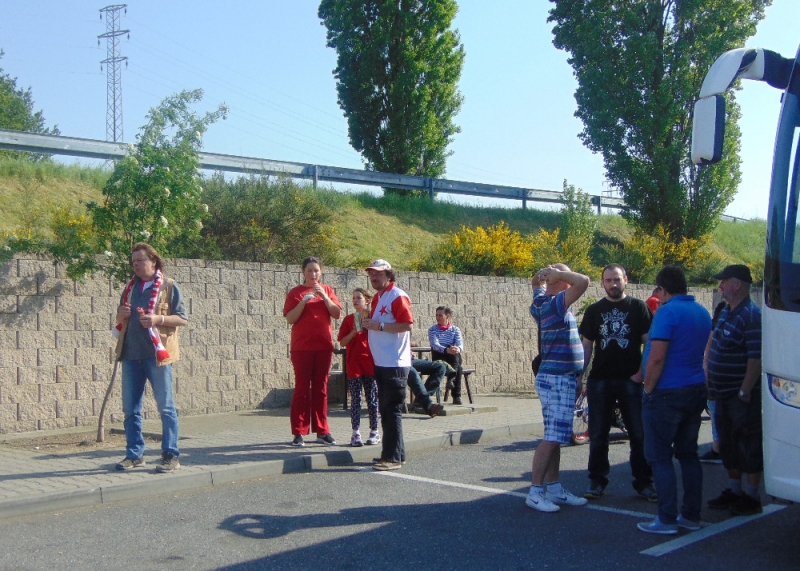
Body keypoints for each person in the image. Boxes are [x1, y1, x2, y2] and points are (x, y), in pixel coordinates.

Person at [637, 266, 711, 535]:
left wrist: (648, 389)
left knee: (659, 456)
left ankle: (666, 519)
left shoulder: (667, 312)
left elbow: (657, 356)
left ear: (663, 289)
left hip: (667, 392)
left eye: (657, 289)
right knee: (688, 455)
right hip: (694, 388)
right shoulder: (701, 311)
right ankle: (691, 516)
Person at [579, 263, 656, 502]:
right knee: (598, 434)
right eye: (609, 280)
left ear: (626, 280)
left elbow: (649, 343)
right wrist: (579, 376)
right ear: (603, 283)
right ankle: (596, 481)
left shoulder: (639, 308)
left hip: (631, 380)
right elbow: (586, 347)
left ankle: (644, 483)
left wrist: (642, 373)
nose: (613, 284)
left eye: (617, 279)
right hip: (600, 380)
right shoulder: (594, 311)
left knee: (638, 433)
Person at [113, 243, 188, 473]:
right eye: (133, 261)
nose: (136, 264)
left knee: (166, 407)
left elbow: (182, 319)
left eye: (140, 260)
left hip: (157, 356)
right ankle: (134, 455)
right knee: (130, 409)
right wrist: (120, 314)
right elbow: (120, 320)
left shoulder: (169, 286)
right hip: (130, 355)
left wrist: (158, 319)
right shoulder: (130, 288)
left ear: (153, 261)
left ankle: (170, 455)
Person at [526, 263, 590, 512]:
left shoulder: (540, 302)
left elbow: (535, 284)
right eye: (566, 276)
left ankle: (554, 488)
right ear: (563, 282)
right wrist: (558, 274)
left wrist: (541, 276)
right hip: (557, 379)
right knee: (552, 438)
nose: (570, 279)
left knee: (555, 436)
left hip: (557, 378)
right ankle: (535, 492)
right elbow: (583, 281)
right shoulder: (555, 304)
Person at [705, 265, 763, 516]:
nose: (720, 285)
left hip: (739, 396)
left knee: (748, 444)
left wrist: (745, 391)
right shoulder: (727, 311)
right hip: (722, 393)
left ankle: (751, 496)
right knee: (728, 445)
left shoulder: (751, 315)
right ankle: (734, 490)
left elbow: (755, 358)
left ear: (737, 284)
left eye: (724, 280)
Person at [284, 256, 342, 447]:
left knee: (321, 389)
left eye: (316, 270)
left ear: (321, 272)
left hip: (323, 347)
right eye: (309, 270)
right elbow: (290, 319)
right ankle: (299, 432)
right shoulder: (295, 292)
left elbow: (336, 313)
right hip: (302, 348)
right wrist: (303, 302)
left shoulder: (327, 290)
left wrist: (324, 297)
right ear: (303, 272)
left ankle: (322, 431)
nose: (313, 274)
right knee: (302, 389)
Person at [361, 259, 414, 471]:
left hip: (394, 362)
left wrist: (379, 326)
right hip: (382, 361)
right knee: (387, 409)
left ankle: (391, 458)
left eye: (379, 274)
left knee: (391, 410)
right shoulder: (377, 297)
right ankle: (396, 454)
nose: (374, 277)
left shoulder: (397, 296)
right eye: (371, 274)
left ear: (389, 275)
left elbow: (407, 325)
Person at [337, 288, 380, 447]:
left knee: (372, 398)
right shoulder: (349, 319)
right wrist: (353, 332)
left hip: (370, 363)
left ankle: (375, 431)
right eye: (353, 298)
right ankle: (355, 433)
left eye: (358, 298)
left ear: (367, 301)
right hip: (354, 364)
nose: (355, 301)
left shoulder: (373, 318)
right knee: (356, 399)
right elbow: (342, 342)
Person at [700, 300, 728, 464]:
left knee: (716, 412)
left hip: (716, 378)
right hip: (730, 378)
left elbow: (707, 357)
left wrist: (707, 379)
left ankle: (718, 449)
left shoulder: (715, 329)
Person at [429, 306, 465, 405]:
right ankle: (456, 395)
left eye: (440, 315)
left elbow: (460, 343)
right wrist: (447, 350)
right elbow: (435, 345)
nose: (438, 317)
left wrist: (457, 348)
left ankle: (452, 381)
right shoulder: (432, 330)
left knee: (456, 356)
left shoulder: (455, 330)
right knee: (459, 368)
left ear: (447, 316)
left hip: (453, 356)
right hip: (439, 355)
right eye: (436, 315)